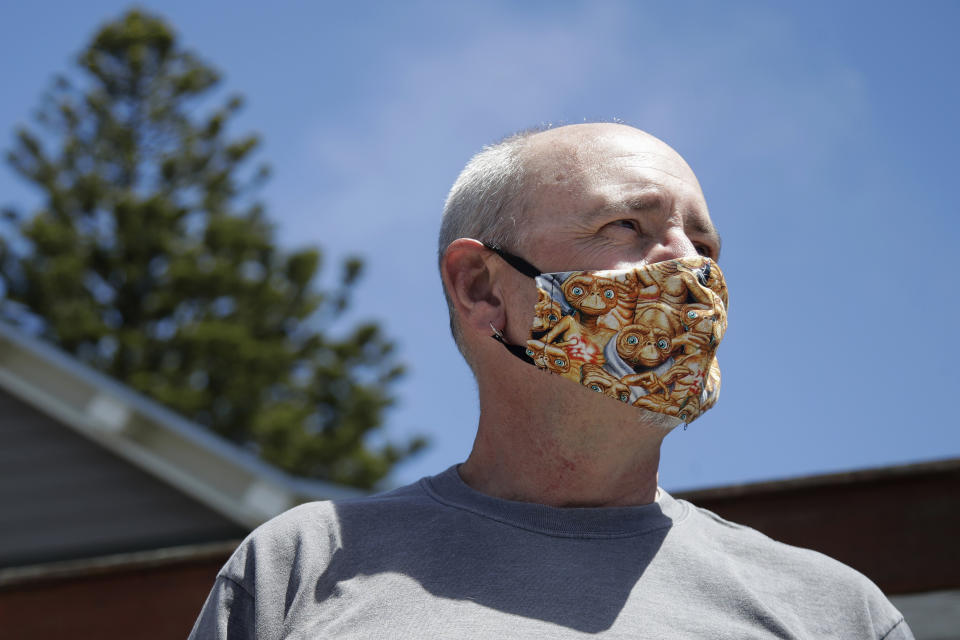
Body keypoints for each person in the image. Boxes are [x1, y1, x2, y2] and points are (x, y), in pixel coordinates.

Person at [189, 123, 912, 638]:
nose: (692, 270)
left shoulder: (834, 613)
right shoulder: (303, 567)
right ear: (482, 289)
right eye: (628, 226)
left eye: (705, 243)